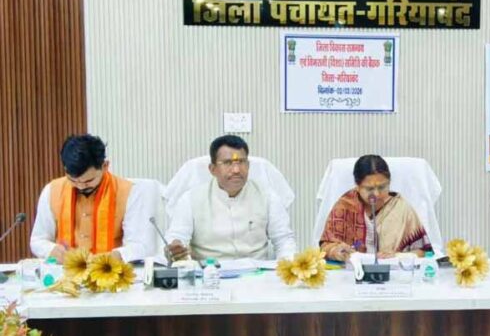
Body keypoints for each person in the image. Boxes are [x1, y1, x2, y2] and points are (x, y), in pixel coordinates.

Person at [166, 135, 297, 262]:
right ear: (212, 169)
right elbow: (177, 239)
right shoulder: (191, 199)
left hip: (257, 273)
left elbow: (284, 240)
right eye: (227, 163)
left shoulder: (267, 196)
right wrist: (175, 249)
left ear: (248, 165)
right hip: (209, 272)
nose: (236, 170)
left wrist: (288, 268)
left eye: (241, 162)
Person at [30, 134, 153, 263]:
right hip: (64, 270)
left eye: (88, 181)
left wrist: (117, 255)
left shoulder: (130, 193)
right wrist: (51, 249)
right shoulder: (52, 190)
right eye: (73, 180)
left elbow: (139, 245)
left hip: (110, 270)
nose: (81, 186)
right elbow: (37, 240)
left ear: (105, 166)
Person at [320, 155, 432, 261]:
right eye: (369, 189)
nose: (377, 194)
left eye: (382, 187)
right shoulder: (344, 206)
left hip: (394, 272)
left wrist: (397, 256)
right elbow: (324, 247)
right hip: (352, 273)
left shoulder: (402, 208)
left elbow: (424, 253)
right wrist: (335, 251)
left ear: (389, 182)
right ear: (357, 186)